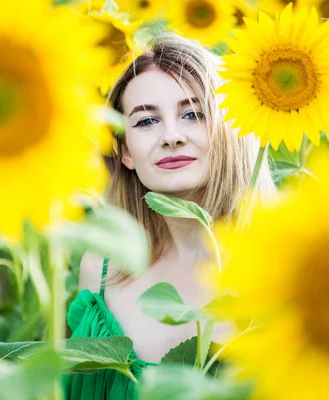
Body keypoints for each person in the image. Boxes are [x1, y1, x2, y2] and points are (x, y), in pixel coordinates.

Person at [63, 32, 277, 399]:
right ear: (125, 152)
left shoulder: (284, 266)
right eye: (147, 121)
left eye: (193, 114)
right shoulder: (102, 270)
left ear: (229, 129)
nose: (172, 136)